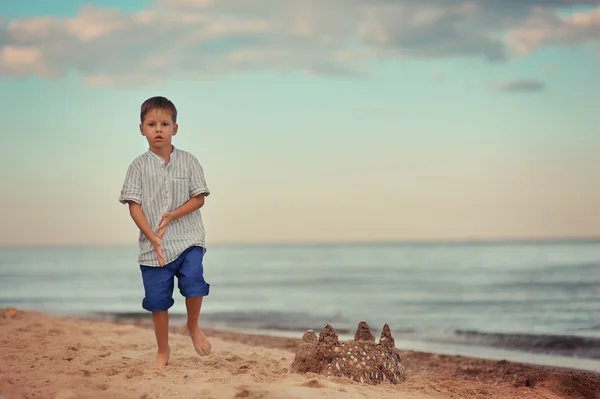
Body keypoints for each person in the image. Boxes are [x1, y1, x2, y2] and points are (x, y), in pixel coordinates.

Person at [119, 96, 212, 369]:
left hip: (188, 239)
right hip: (153, 248)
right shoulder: (137, 166)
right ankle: (163, 351)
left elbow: (199, 199)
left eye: (164, 124)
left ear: (175, 128)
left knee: (194, 281)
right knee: (158, 302)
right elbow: (134, 207)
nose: (158, 129)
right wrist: (152, 236)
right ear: (141, 129)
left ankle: (192, 326)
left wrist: (172, 215)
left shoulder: (189, 161)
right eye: (151, 124)